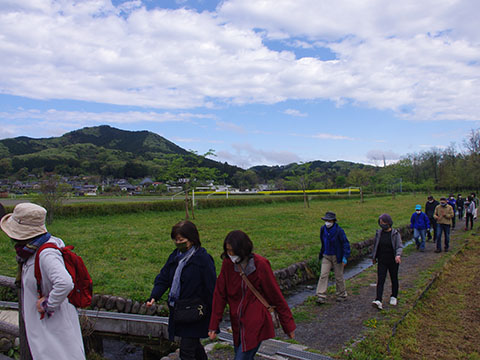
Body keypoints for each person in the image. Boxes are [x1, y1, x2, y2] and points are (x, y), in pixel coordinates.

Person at [0, 203, 85, 359]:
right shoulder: (33, 251)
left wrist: (48, 304)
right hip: (48, 328)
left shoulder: (46, 254)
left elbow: (65, 283)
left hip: (53, 328)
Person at [208, 230, 296, 359]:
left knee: (242, 356)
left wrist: (288, 325)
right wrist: (214, 324)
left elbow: (275, 295)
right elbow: (220, 294)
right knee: (242, 354)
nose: (230, 254)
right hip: (237, 322)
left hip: (255, 321)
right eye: (228, 250)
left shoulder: (260, 264)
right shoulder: (228, 264)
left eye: (233, 250)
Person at [147, 220, 216, 360]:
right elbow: (164, 277)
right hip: (180, 310)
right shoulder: (175, 256)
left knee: (186, 351)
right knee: (193, 345)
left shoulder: (203, 259)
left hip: (196, 312)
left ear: (192, 239)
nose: (178, 243)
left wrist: (214, 318)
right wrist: (154, 296)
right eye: (176, 240)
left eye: (182, 240)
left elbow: (212, 287)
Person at [315, 211, 351, 303]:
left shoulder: (339, 231)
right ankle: (321, 295)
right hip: (326, 255)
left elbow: (345, 244)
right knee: (323, 275)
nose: (327, 222)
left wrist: (345, 257)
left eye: (329, 220)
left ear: (333, 221)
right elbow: (323, 242)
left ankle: (341, 294)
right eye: (326, 220)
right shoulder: (323, 229)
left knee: (338, 276)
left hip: (337, 256)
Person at [372, 214, 403, 310]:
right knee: (380, 279)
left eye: (383, 223)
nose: (382, 225)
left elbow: (399, 246)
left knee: (394, 278)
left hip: (393, 260)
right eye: (380, 223)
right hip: (382, 260)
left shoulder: (395, 234)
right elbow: (376, 246)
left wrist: (398, 255)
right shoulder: (379, 233)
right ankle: (378, 300)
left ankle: (394, 296)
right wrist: (374, 257)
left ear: (389, 223)